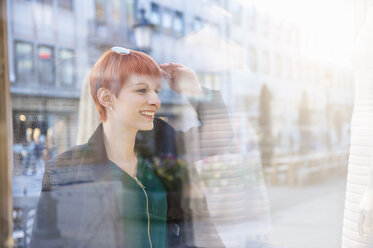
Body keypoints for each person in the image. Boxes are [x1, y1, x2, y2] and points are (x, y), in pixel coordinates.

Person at [30, 47, 229, 248]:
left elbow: (219, 137)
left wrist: (194, 90)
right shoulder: (65, 169)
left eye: (156, 91)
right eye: (142, 90)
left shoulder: (162, 144)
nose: (155, 101)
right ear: (106, 98)